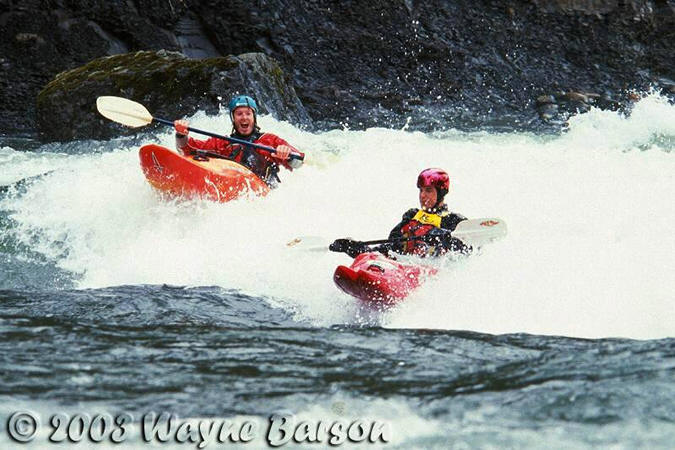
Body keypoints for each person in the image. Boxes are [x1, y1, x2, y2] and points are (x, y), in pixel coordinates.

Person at [330, 168, 471, 258]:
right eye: (421, 190)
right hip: (403, 265)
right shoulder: (412, 215)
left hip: (429, 270)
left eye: (428, 190)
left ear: (441, 193)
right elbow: (390, 246)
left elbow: (470, 251)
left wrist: (444, 237)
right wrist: (357, 249)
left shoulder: (454, 220)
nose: (422, 195)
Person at [174, 95, 304, 187]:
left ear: (254, 117)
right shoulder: (223, 143)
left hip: (264, 191)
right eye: (239, 114)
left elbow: (298, 161)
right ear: (233, 118)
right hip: (232, 186)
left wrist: (287, 155)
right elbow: (187, 149)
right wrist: (181, 134)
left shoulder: (270, 140)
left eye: (248, 113)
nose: (244, 118)